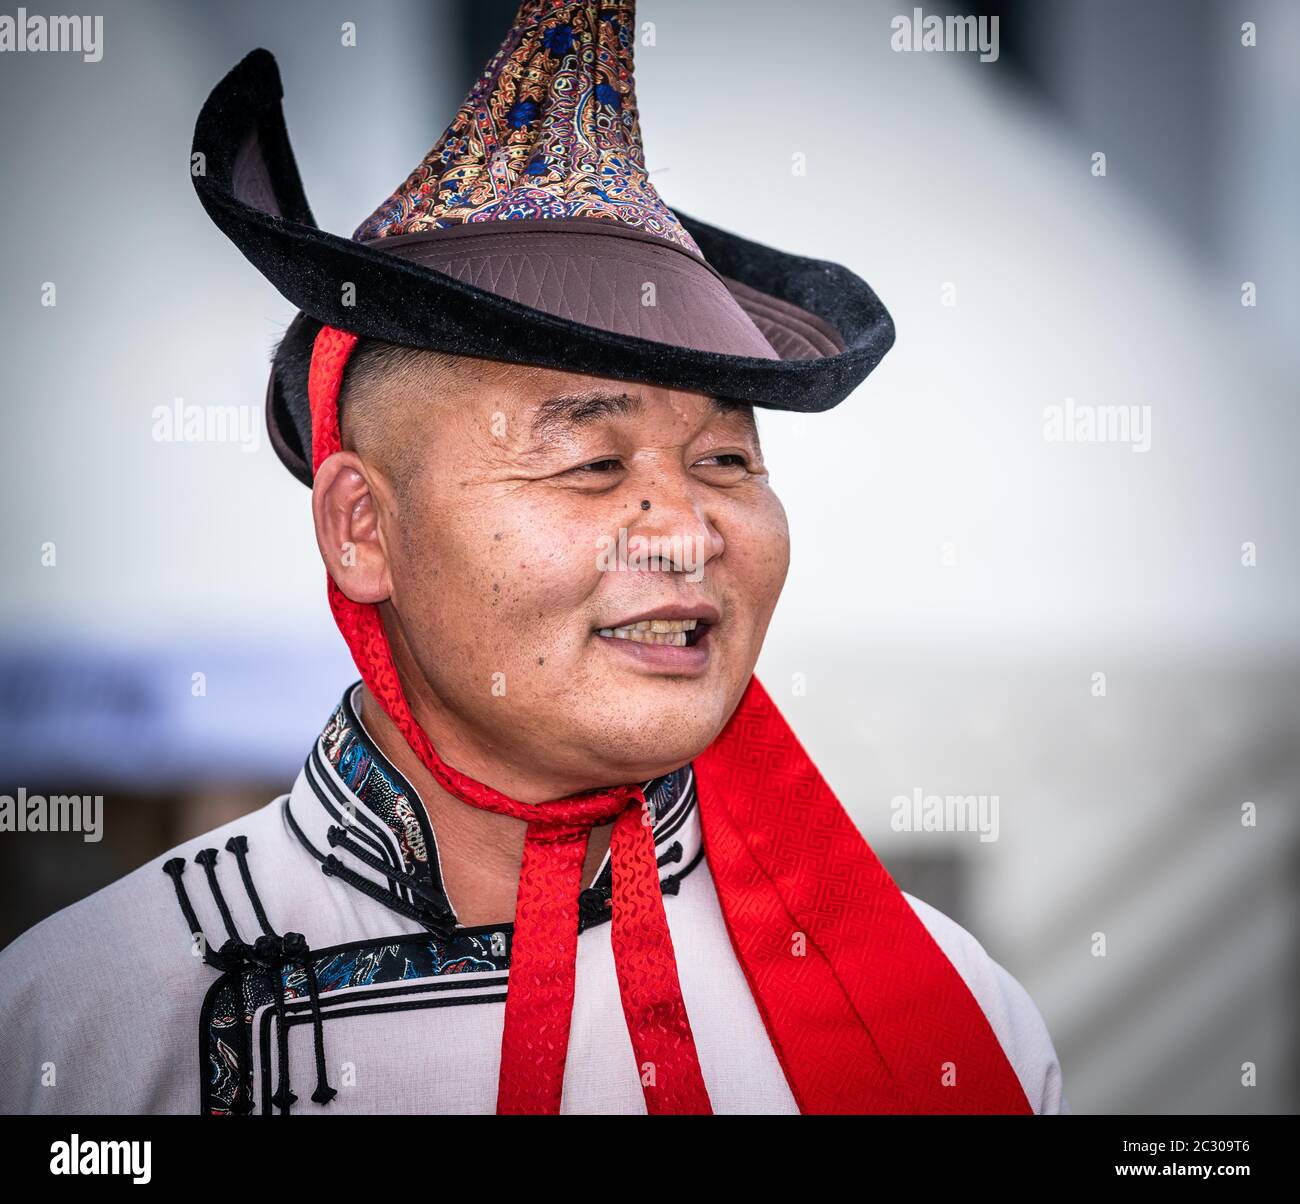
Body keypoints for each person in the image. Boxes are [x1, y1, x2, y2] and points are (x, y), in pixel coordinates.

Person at [0, 0, 1066, 1115]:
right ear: (363, 527)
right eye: (592, 465)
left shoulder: (944, 1015)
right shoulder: (88, 1027)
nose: (686, 531)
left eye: (725, 463)